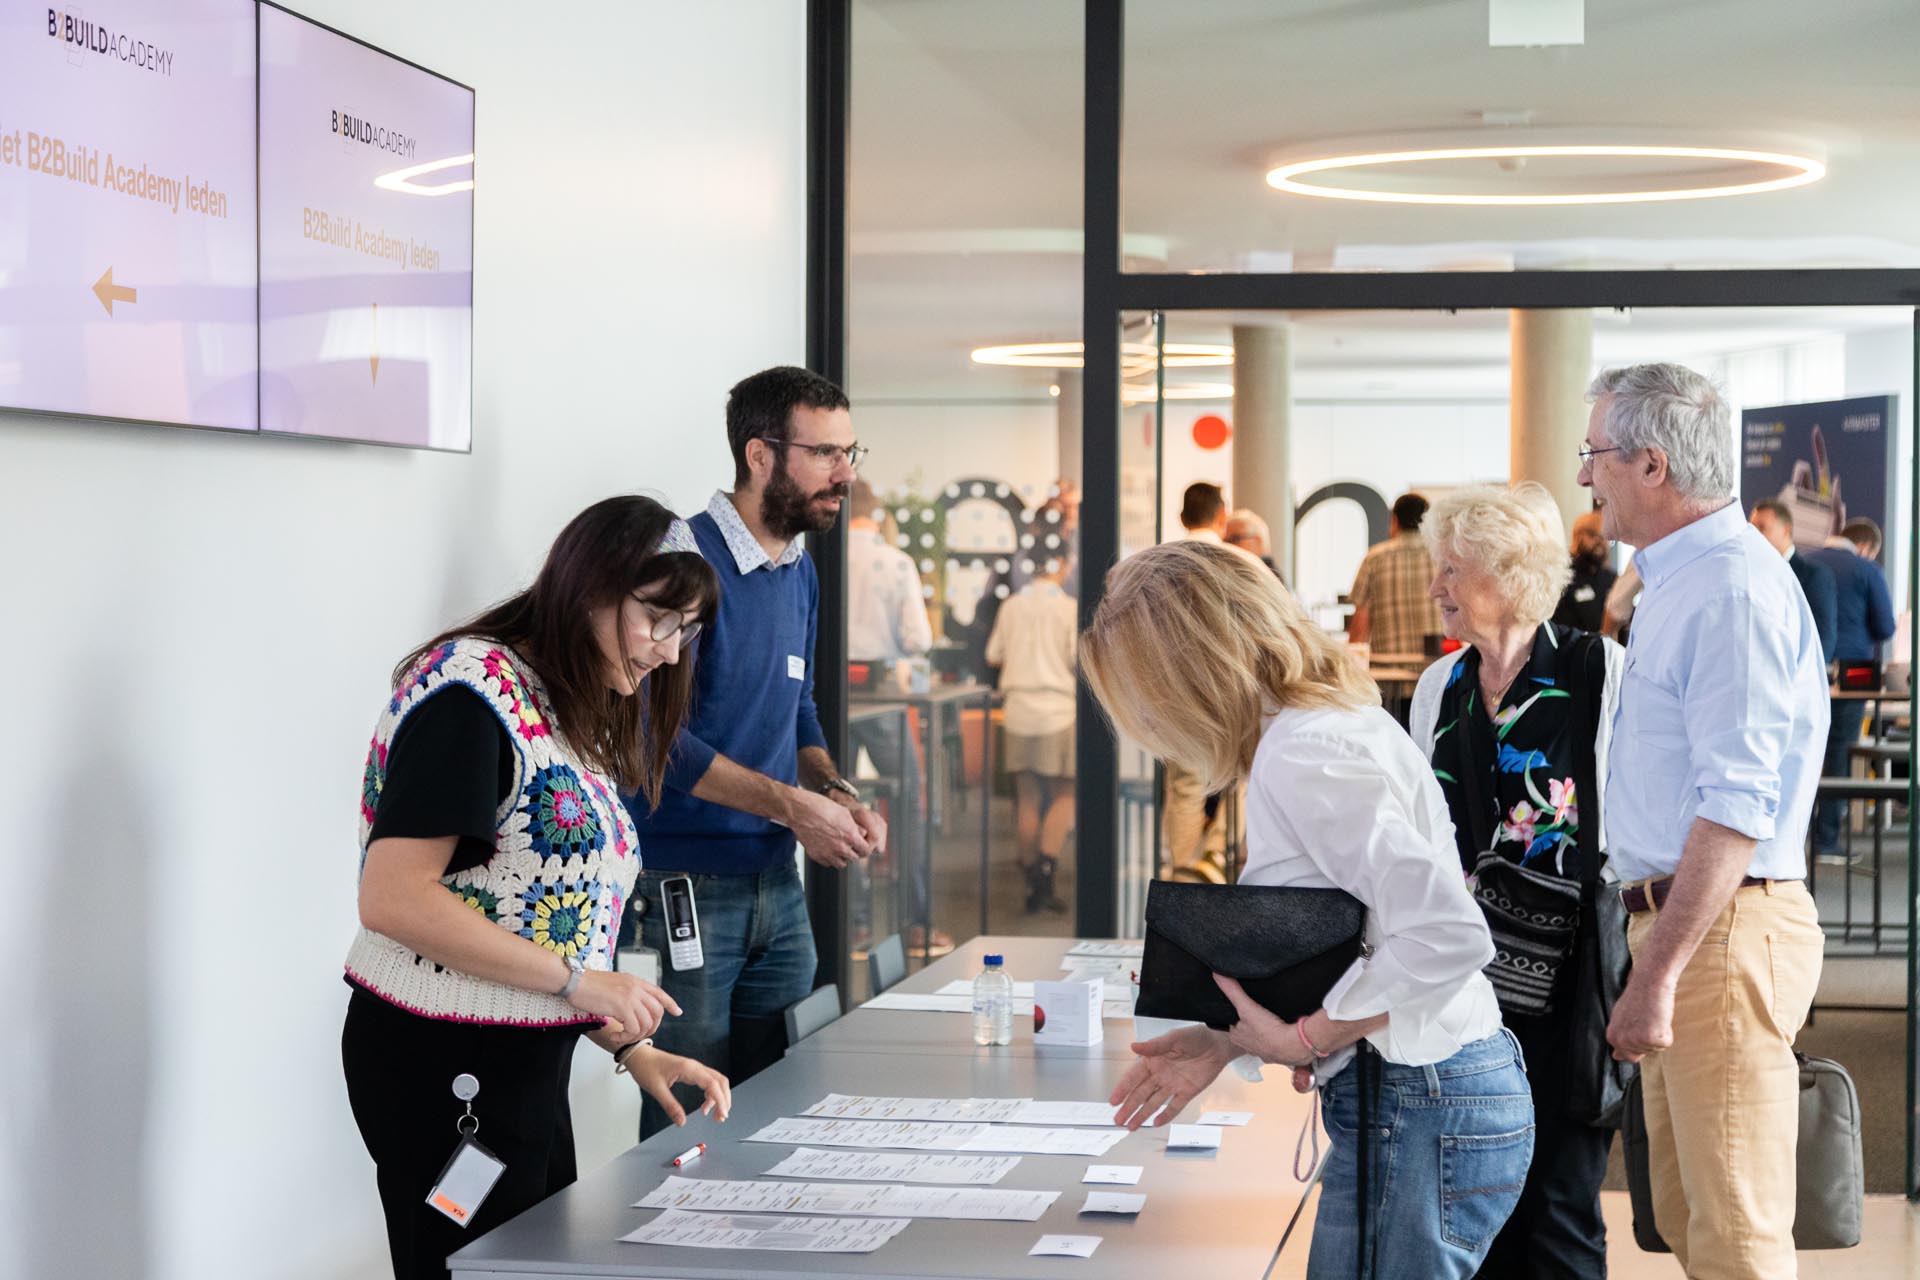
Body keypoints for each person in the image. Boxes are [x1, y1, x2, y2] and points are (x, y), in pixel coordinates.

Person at [1086, 540, 1529, 1280]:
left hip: (1420, 1097)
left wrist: (1307, 1037)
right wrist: (1231, 1039)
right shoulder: (1318, 727)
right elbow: (1360, 928)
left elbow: (1446, 935)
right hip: (1419, 1094)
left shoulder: (1307, 749)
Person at [342, 497, 732, 1280]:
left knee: (530, 1266)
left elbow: (537, 915)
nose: (666, 651)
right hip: (446, 1060)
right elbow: (394, 897)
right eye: (656, 619)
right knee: (470, 1268)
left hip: (517, 1062)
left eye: (684, 631)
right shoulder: (469, 694)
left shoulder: (552, 703)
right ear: (592, 586)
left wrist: (631, 1044)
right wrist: (582, 983)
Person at [1579, 363, 1827, 1278]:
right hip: (1691, 925)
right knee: (1691, 1221)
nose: (1583, 477)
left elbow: (1736, 805)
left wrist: (1661, 971)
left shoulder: (1729, 590)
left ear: (1651, 466)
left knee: (1737, 1236)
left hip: (1721, 929)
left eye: (1593, 454)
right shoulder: (1681, 583)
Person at [622, 366, 886, 1139]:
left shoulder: (797, 566)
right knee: (689, 1113)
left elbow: (796, 707)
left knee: (778, 1099)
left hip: (778, 880)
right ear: (761, 455)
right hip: (687, 887)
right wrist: (790, 805)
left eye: (850, 451)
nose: (845, 473)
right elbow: (651, 739)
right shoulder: (682, 561)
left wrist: (833, 791)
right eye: (825, 453)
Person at [1410, 484, 1626, 1280]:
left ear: (1509, 575)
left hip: (1569, 991)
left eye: (1452, 571)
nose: (1437, 589)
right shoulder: (1441, 688)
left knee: (1563, 1210)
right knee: (1478, 1201)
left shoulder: (1600, 674)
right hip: (1465, 990)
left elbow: (1629, 827)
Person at [845, 477, 948, 955]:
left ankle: (855, 925)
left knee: (840, 805)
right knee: (907, 806)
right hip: (881, 692)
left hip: (831, 696)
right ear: (878, 511)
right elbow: (917, 639)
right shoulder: (895, 562)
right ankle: (916, 925)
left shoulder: (819, 558)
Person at [985, 544, 1079, 913]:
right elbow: (1076, 658)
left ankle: (1030, 879)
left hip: (1018, 709)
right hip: (1059, 709)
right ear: (1062, 563)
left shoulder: (1011, 606)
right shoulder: (1070, 608)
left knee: (1026, 797)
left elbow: (993, 654)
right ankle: (1047, 867)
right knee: (1065, 795)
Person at [1806, 516, 1897, 859]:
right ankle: (1827, 841)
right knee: (1840, 750)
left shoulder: (1805, 562)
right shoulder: (1865, 570)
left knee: (1803, 748)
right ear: (1866, 547)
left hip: (1805, 667)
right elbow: (1885, 626)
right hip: (1855, 671)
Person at [1348, 492, 1443, 657]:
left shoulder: (1374, 558)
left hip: (1389, 673)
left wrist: (1352, 665)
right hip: (1436, 670)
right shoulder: (1442, 557)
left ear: (1395, 521)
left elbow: (1361, 622)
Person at [1750, 499, 1838, 663]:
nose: (1755, 534)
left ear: (1785, 530)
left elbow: (1823, 634)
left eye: (1762, 528)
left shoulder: (1814, 575)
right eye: (1752, 528)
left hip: (1800, 676)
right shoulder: (1751, 574)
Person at [1551, 509, 1616, 634]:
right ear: (1578, 536)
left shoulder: (1612, 579)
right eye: (1593, 535)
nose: (1600, 542)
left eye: (1604, 537)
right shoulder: (1563, 577)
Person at [1226, 506, 1287, 583]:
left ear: (1258, 541)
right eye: (1224, 540)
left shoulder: (1267, 579)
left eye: (1235, 539)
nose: (1227, 545)